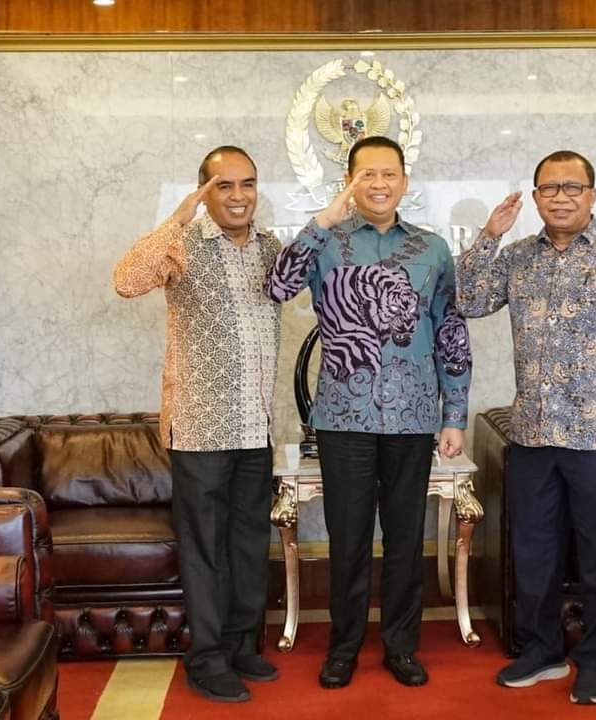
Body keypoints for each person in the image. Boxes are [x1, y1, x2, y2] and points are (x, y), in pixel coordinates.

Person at [457, 150, 596, 705]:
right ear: (535, 198)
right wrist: (489, 236)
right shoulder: (516, 259)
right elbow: (467, 300)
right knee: (533, 552)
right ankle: (542, 650)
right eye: (549, 188)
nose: (560, 197)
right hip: (532, 434)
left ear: (592, 195)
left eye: (572, 187)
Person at [265, 136, 472, 689]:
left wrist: (454, 414)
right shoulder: (326, 243)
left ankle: (402, 647)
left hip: (413, 418)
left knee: (405, 540)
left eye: (389, 174)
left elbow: (450, 331)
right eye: (366, 175)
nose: (379, 184)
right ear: (349, 182)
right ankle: (344, 648)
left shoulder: (432, 249)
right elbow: (277, 286)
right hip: (342, 418)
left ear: (404, 182)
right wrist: (321, 221)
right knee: (348, 540)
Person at [113, 146, 281, 704]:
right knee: (205, 549)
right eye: (223, 186)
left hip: (255, 425)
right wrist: (179, 216)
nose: (238, 196)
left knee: (249, 544)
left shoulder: (270, 248)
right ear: (204, 191)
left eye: (247, 184)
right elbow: (127, 280)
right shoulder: (183, 243)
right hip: (201, 428)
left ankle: (240, 646)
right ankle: (206, 659)